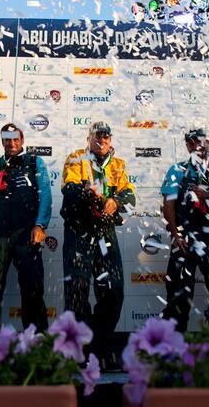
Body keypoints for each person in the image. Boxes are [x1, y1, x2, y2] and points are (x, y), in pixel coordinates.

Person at [61, 121, 135, 370]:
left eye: (105, 136)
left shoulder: (118, 164)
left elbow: (130, 195)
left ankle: (100, 343)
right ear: (89, 138)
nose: (101, 140)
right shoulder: (76, 158)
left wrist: (115, 200)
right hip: (78, 231)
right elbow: (69, 190)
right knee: (76, 292)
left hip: (105, 233)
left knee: (114, 290)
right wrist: (87, 193)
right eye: (97, 136)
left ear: (110, 140)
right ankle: (80, 349)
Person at [0, 123, 52, 332]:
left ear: (22, 140)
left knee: (32, 288)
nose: (11, 143)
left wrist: (40, 224)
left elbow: (45, 194)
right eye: (7, 139)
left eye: (15, 138)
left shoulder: (35, 162)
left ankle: (36, 342)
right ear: (2, 141)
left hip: (26, 234)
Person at [159, 128, 209, 332]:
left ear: (208, 143)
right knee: (178, 296)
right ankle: (173, 348)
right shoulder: (177, 170)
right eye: (190, 142)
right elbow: (168, 204)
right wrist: (175, 234)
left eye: (199, 141)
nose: (195, 145)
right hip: (185, 238)